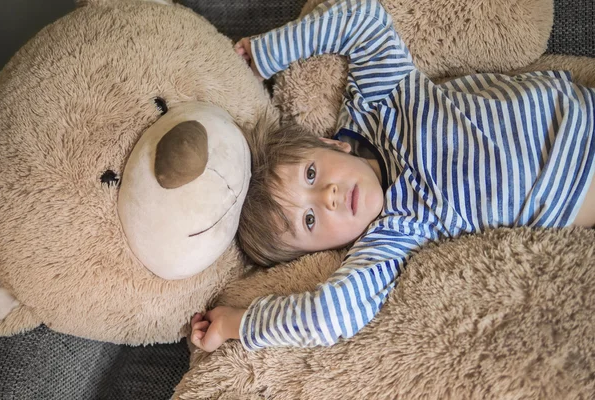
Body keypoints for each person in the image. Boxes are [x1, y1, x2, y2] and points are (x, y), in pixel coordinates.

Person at [190, 0, 595, 352]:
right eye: (310, 220)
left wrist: (268, 54)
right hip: (576, 189)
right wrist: (237, 325)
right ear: (320, 250)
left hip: (578, 110)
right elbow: (331, 315)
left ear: (332, 144)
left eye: (311, 174)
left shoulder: (382, 99)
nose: (328, 196)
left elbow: (361, 19)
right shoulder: (391, 235)